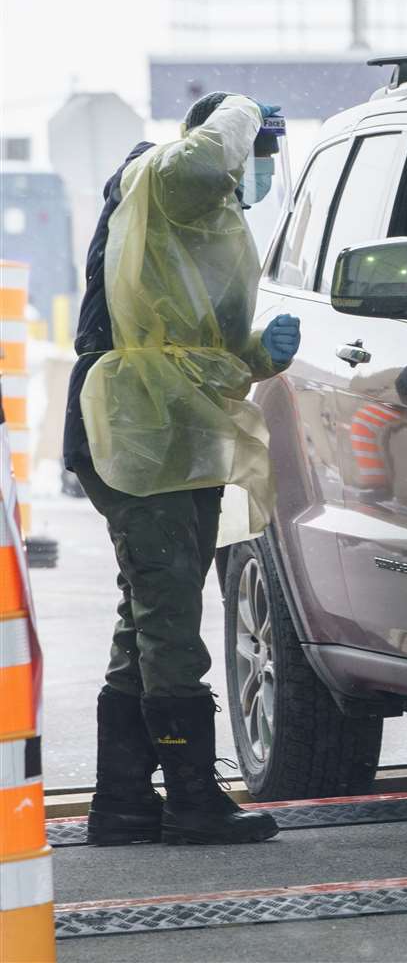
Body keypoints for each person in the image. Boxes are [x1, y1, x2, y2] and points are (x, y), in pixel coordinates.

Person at [65, 92, 301, 846]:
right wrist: (237, 109)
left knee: (148, 615)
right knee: (167, 620)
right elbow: (201, 158)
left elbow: (209, 346)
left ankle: (126, 802)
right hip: (137, 423)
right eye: (255, 151)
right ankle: (193, 798)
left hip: (167, 425)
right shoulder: (164, 183)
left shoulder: (199, 227)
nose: (255, 170)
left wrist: (263, 351)